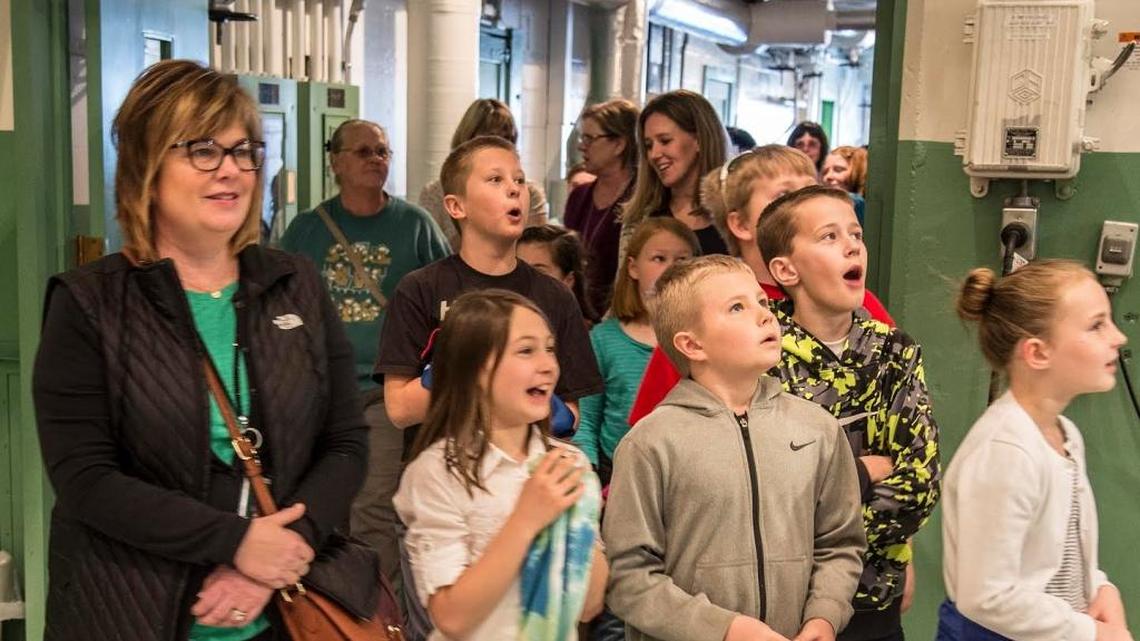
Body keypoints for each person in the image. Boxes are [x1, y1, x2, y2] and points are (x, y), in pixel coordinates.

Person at [32, 59, 368, 640]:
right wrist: (238, 543)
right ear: (147, 168)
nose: (231, 171)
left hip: (285, 614)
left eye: (244, 152)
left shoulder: (295, 284)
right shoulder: (90, 304)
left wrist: (281, 554)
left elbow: (345, 442)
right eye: (203, 151)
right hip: (130, 612)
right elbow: (86, 478)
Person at [604, 255, 866, 641]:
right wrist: (724, 630)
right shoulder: (650, 444)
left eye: (762, 302)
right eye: (737, 308)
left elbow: (840, 543)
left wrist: (824, 618)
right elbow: (628, 578)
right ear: (692, 344)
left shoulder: (818, 429)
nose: (764, 315)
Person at [280, 117, 451, 604]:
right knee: (323, 505)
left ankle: (381, 614)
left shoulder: (414, 224)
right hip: (318, 393)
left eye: (383, 152)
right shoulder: (307, 230)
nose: (377, 160)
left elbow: (443, 298)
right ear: (335, 162)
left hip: (384, 389)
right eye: (364, 152)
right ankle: (329, 610)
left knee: (374, 508)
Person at [760, 185, 940, 641]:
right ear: (786, 269)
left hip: (875, 601)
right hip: (780, 608)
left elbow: (920, 485)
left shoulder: (896, 352)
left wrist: (822, 514)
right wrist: (861, 472)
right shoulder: (761, 356)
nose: (852, 244)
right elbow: (764, 496)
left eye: (855, 233)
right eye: (828, 236)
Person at [625, 146, 893, 427]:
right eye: (784, 195)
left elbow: (900, 395)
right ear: (740, 223)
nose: (805, 205)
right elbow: (649, 427)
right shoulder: (702, 306)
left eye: (812, 192)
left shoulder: (857, 305)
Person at [393, 289, 608, 640]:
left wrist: (579, 517)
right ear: (477, 369)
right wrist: (526, 519)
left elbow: (588, 605)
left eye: (550, 349)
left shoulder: (569, 463)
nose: (548, 365)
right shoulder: (435, 473)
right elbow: (452, 617)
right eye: (526, 350)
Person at [938, 261, 1133, 641]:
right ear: (1038, 353)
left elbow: (1063, 551)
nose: (1118, 337)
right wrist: (1090, 632)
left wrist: (1100, 587)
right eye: (1097, 325)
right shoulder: (1006, 453)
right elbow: (987, 596)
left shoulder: (1066, 435)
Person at [376, 135, 602, 446]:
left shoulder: (554, 295)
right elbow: (400, 408)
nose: (514, 189)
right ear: (457, 206)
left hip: (523, 474)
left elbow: (569, 416)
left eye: (519, 180)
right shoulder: (421, 288)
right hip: (445, 474)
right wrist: (486, 369)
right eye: (495, 179)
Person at [572, 217, 699, 481]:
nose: (670, 269)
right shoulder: (604, 339)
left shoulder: (703, 339)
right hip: (615, 471)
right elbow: (588, 418)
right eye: (658, 258)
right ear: (633, 267)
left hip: (684, 471)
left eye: (682, 260)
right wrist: (589, 474)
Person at [419, 99, 548, 250]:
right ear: (467, 140)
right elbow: (434, 257)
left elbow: (536, 254)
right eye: (490, 139)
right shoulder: (435, 194)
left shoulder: (529, 193)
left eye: (507, 139)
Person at [618, 90, 729, 260]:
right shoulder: (640, 218)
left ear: (699, 140)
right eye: (648, 146)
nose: (654, 154)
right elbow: (625, 284)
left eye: (665, 141)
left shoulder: (736, 215)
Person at [565, 99, 639, 316]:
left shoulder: (640, 199)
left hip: (620, 317)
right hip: (577, 315)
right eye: (582, 137)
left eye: (590, 138)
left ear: (619, 144)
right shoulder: (579, 196)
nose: (581, 146)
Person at [517, 224, 598, 325]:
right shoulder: (498, 329)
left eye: (538, 272)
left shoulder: (591, 337)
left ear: (568, 281)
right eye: (519, 270)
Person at [821, 146, 869, 225]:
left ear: (858, 171)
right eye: (825, 172)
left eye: (838, 170)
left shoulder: (856, 203)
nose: (828, 177)